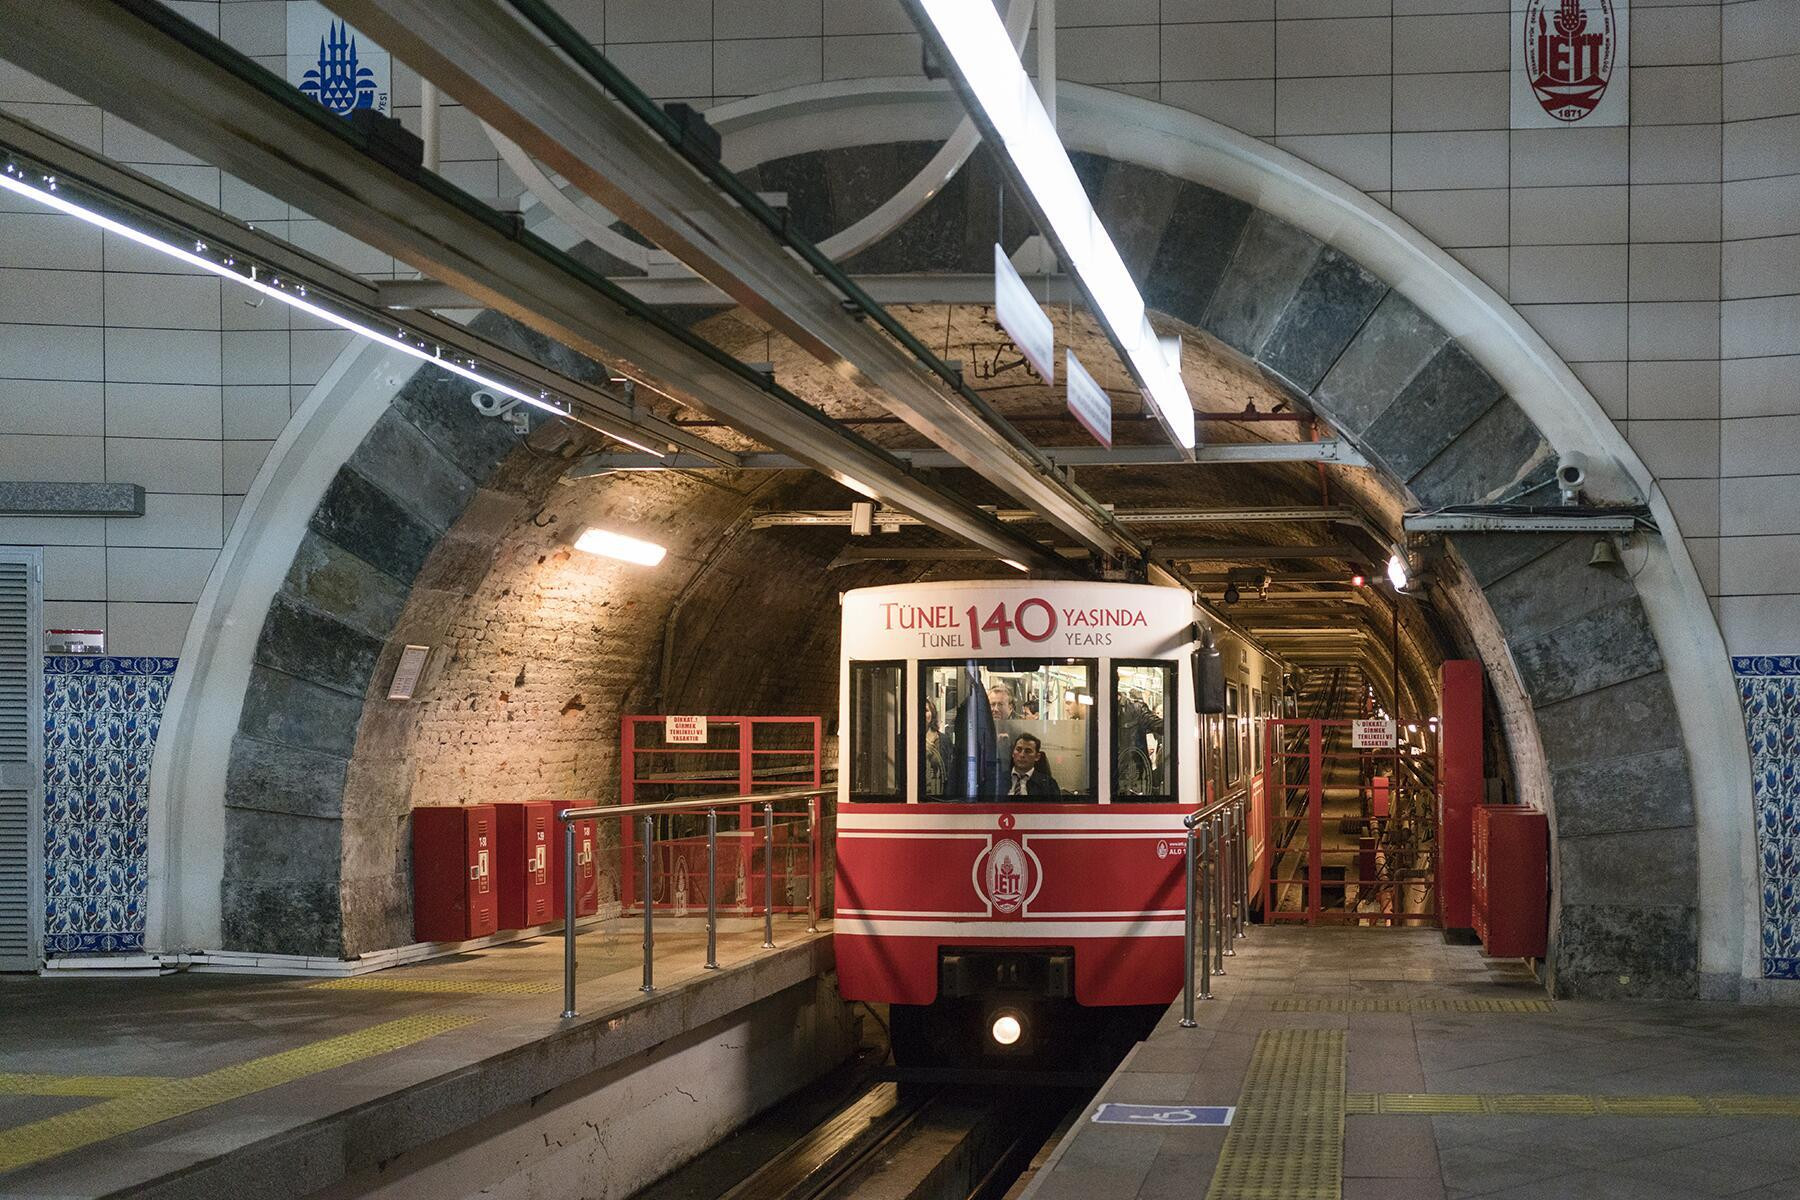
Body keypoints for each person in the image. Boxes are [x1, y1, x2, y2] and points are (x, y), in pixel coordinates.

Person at [1004, 733, 1061, 798]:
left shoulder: (1049, 784)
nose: (1022, 755)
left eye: (1028, 751)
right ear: (1013, 753)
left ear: (1037, 756)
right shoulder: (997, 779)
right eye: (1018, 749)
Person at [922, 697, 946, 797]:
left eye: (926, 710)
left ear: (932, 714)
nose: (922, 714)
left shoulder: (944, 740)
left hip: (938, 794)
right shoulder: (901, 739)